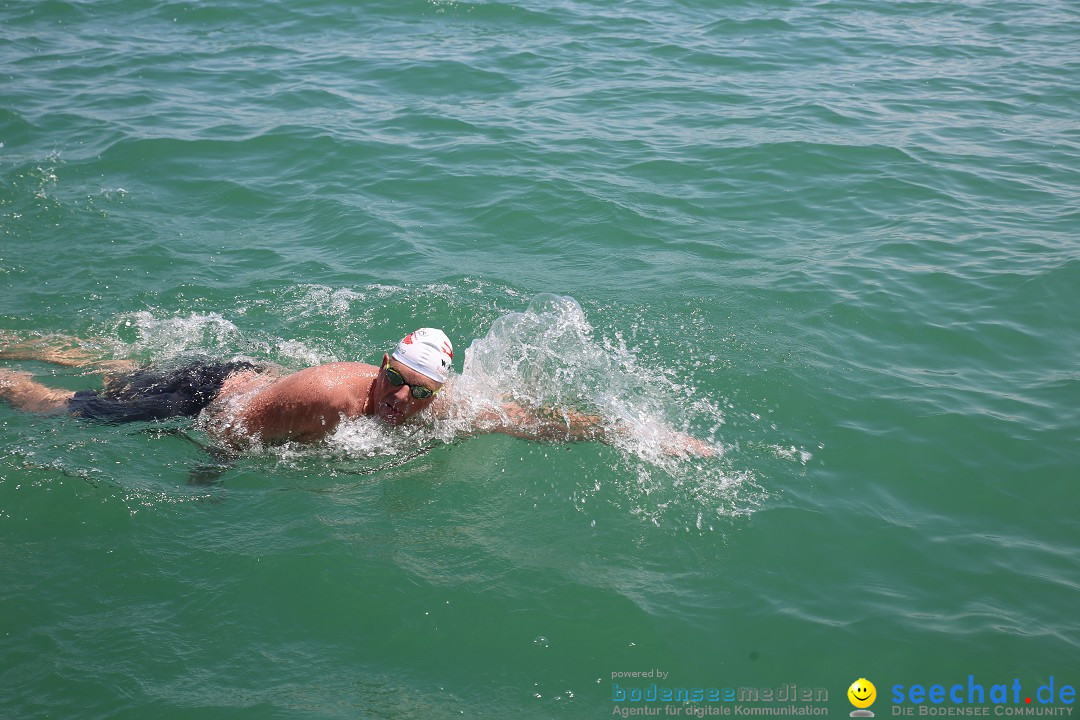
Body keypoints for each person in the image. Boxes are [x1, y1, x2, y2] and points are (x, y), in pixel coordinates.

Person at [0, 328, 715, 456]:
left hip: (247, 376)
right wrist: (213, 468)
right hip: (212, 395)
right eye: (397, 384)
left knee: (117, 367)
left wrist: (639, 433)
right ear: (381, 367)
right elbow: (232, 427)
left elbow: (533, 421)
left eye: (421, 396)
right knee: (65, 410)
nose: (402, 403)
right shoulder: (334, 399)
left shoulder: (446, 405)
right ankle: (12, 371)